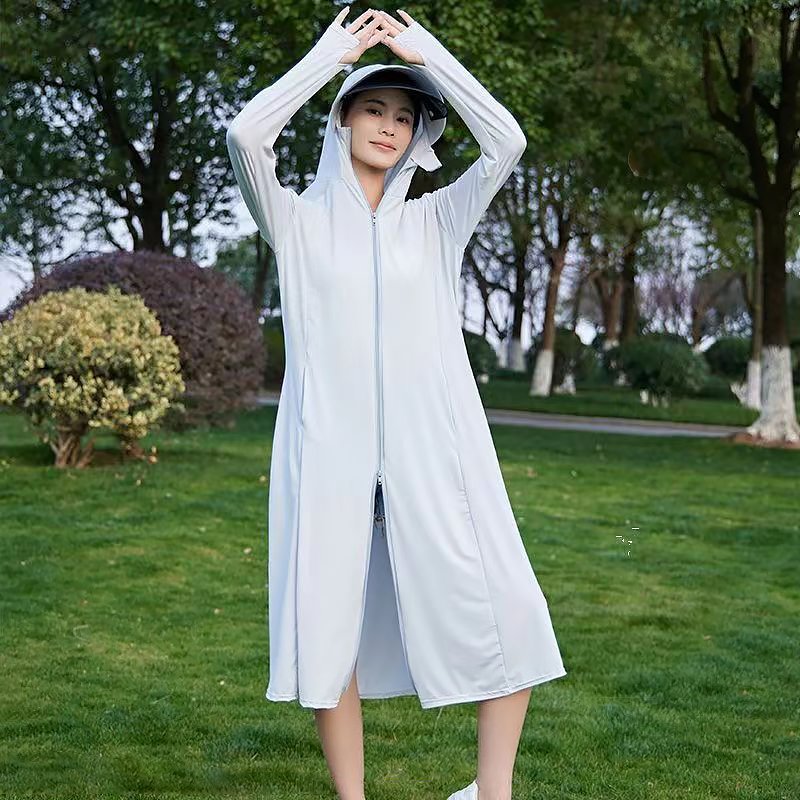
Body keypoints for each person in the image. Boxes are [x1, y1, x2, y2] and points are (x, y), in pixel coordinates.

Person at [226, 8, 567, 800]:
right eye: (373, 108)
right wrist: (333, 58)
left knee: (511, 614)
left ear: (420, 135)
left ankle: (491, 793)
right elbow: (246, 135)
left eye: (405, 116)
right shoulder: (296, 222)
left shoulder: (437, 220)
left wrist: (426, 55)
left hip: (440, 456)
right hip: (329, 460)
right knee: (330, 639)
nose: (389, 125)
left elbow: (507, 143)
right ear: (342, 120)